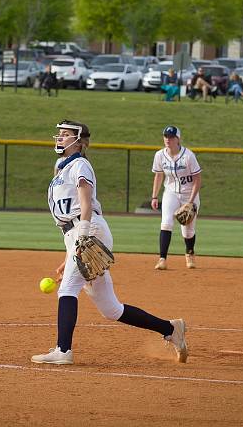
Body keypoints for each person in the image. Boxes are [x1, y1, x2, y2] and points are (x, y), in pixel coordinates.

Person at [32, 120, 188, 365]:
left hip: (89, 229)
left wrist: (83, 235)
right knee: (111, 309)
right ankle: (171, 329)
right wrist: (69, 255)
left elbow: (85, 203)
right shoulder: (60, 167)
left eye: (65, 134)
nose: (60, 138)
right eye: (59, 134)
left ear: (79, 140)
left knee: (68, 289)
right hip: (76, 234)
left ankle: (63, 351)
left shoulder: (80, 165)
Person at [150, 126, 202, 270]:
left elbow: (197, 179)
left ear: (178, 139)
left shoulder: (188, 156)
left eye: (171, 137)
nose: (168, 139)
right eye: (166, 136)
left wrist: (191, 202)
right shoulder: (160, 155)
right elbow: (159, 175)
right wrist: (154, 196)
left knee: (188, 230)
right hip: (171, 193)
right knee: (166, 223)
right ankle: (162, 259)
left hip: (189, 194)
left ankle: (189, 253)